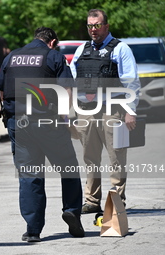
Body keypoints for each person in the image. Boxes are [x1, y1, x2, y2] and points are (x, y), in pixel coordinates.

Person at [0, 27, 84, 242]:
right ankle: (71, 210)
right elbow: (66, 92)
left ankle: (32, 229)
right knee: (68, 167)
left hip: (18, 123)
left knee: (29, 175)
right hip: (47, 121)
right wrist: (64, 119)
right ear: (52, 42)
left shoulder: (11, 57)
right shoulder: (54, 56)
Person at [70, 9, 140, 214]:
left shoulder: (121, 49)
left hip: (113, 110)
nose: (93, 29)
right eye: (90, 26)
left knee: (116, 157)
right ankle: (92, 200)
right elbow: (73, 80)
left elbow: (131, 82)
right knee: (89, 157)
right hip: (86, 111)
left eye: (97, 25)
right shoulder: (81, 49)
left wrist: (130, 111)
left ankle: (117, 200)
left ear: (106, 26)